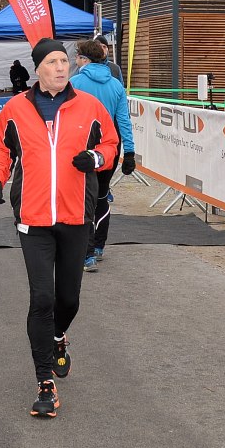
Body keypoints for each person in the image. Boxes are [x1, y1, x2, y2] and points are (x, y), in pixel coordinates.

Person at [0, 37, 120, 418]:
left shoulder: (90, 106)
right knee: (41, 298)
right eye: (52, 62)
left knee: (69, 299)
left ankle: (58, 337)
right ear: (38, 69)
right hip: (33, 218)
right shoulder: (15, 109)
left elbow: (111, 144)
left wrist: (96, 158)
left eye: (64, 61)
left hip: (76, 215)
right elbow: (3, 151)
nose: (61, 67)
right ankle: (44, 381)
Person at [70, 38, 136, 272]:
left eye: (77, 56)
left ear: (85, 60)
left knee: (82, 199)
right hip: (110, 149)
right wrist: (130, 152)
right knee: (101, 197)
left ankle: (86, 254)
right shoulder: (116, 85)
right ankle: (98, 246)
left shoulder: (74, 83)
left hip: (82, 149)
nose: (75, 60)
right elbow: (124, 120)